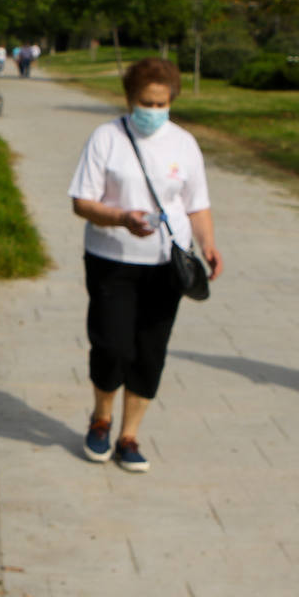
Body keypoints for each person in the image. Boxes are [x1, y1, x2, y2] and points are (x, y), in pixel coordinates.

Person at [68, 57, 223, 472]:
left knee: (150, 350)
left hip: (166, 263)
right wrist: (120, 218)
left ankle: (129, 435)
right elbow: (81, 202)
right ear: (129, 98)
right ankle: (101, 419)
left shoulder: (184, 143)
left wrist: (207, 244)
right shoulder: (106, 138)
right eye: (146, 102)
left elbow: (196, 203)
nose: (153, 111)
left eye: (161, 104)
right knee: (113, 344)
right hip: (112, 259)